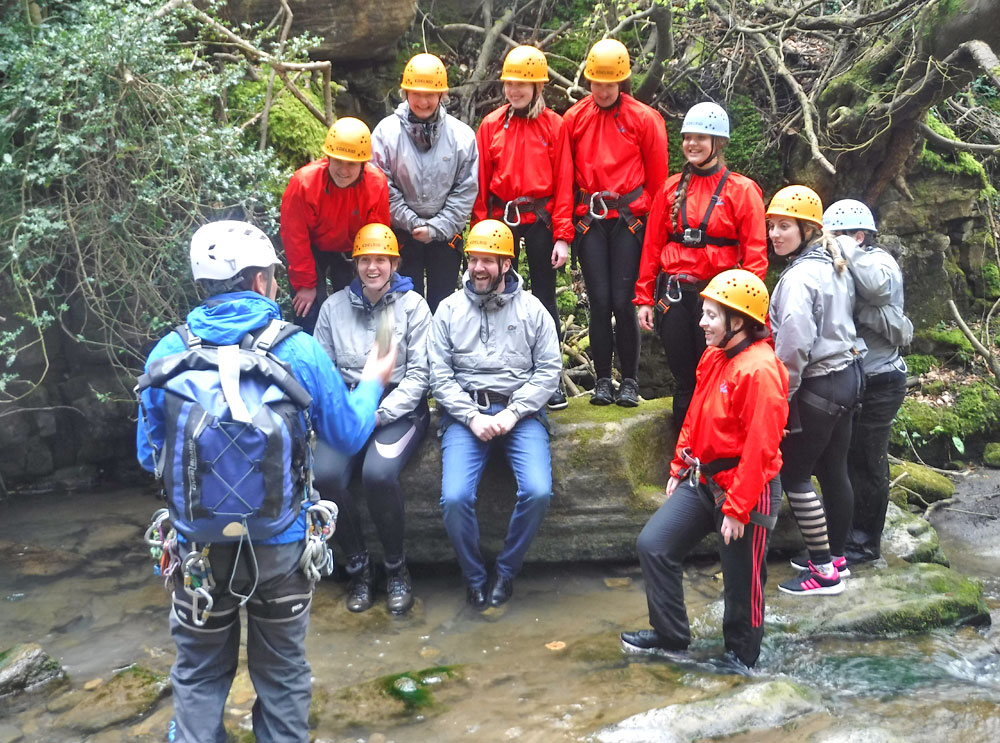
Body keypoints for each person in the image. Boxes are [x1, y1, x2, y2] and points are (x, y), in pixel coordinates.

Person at [136, 220, 395, 743]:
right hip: (281, 548)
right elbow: (347, 435)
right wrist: (372, 381)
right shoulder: (296, 349)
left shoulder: (167, 351)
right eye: (274, 275)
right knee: (281, 677)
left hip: (197, 550)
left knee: (198, 674)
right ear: (259, 281)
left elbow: (149, 457)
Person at [621, 269, 787, 669]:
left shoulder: (760, 370)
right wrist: (680, 464)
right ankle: (671, 635)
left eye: (711, 315)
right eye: (704, 313)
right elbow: (696, 414)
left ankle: (741, 658)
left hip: (749, 486)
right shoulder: (714, 357)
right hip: (706, 478)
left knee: (742, 580)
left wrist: (738, 508)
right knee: (654, 545)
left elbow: (761, 447)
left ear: (738, 321)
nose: (701, 323)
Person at [429, 219, 561, 609]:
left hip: (522, 414)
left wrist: (514, 412)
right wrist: (471, 416)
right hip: (466, 413)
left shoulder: (533, 309)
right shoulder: (449, 310)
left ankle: (506, 571)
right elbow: (439, 375)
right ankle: (474, 577)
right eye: (473, 259)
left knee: (537, 491)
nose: (478, 268)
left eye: (488, 260)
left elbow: (549, 371)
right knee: (455, 498)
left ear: (506, 264)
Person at [312, 224, 432, 615]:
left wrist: (380, 413)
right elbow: (323, 371)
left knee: (377, 474)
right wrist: (345, 412)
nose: (372, 267)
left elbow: (420, 375)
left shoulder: (413, 307)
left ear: (394, 264)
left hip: (398, 410)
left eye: (381, 260)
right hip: (348, 408)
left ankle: (397, 569)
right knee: (325, 475)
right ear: (355, 264)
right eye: (365, 260)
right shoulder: (333, 309)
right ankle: (360, 568)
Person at [635, 102, 767, 426]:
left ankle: (713, 448)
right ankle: (682, 452)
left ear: (717, 143)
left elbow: (755, 255)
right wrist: (644, 298)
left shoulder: (741, 190)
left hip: (720, 299)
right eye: (687, 138)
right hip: (675, 296)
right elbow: (652, 247)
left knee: (717, 375)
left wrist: (746, 311)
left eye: (700, 138)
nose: (692, 144)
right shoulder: (670, 189)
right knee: (685, 381)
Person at [767, 186, 864, 596]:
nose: (774, 234)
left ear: (807, 230)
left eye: (784, 227)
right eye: (772, 226)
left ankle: (823, 571)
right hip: (849, 375)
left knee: (794, 474)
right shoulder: (833, 262)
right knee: (833, 469)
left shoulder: (799, 278)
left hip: (819, 384)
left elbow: (793, 345)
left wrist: (780, 399)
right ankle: (836, 557)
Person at [563, 38, 668, 407]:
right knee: (600, 301)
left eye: (610, 84)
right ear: (589, 80)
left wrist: (652, 225)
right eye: (597, 83)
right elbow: (565, 178)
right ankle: (604, 380)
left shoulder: (645, 119)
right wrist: (566, 227)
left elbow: (658, 182)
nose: (603, 91)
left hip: (628, 220)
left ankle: (630, 382)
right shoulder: (574, 119)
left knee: (624, 303)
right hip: (591, 220)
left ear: (622, 81)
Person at [473, 44, 573, 410]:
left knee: (545, 298)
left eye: (522, 84)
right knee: (497, 296)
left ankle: (550, 378)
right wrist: (480, 232)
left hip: (541, 218)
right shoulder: (491, 125)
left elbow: (564, 181)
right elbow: (481, 182)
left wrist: (563, 236)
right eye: (510, 84)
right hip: (502, 219)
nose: (514, 90)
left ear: (537, 87)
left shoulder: (554, 126)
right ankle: (501, 373)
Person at [823, 199, 912, 565]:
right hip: (853, 377)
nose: (827, 242)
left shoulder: (879, 262)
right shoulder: (839, 263)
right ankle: (840, 540)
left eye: (834, 235)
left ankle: (864, 544)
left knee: (868, 462)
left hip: (882, 379)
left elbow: (877, 289)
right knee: (844, 460)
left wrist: (845, 248)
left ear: (859, 236)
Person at [371, 52, 479, 313]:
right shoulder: (386, 133)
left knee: (443, 306)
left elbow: (465, 190)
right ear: (405, 93)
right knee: (405, 306)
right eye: (416, 93)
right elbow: (380, 185)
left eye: (430, 94)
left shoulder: (462, 137)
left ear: (442, 95)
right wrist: (412, 222)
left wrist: (436, 228)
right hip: (401, 234)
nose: (422, 101)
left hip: (446, 236)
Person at [280, 116, 390, 333]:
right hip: (312, 249)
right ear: (328, 157)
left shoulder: (375, 184)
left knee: (357, 309)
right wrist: (305, 285)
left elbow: (377, 237)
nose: (343, 170)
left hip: (353, 249)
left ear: (363, 164)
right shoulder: (304, 184)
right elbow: (295, 237)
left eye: (351, 164)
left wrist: (373, 276)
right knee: (308, 310)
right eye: (338, 161)